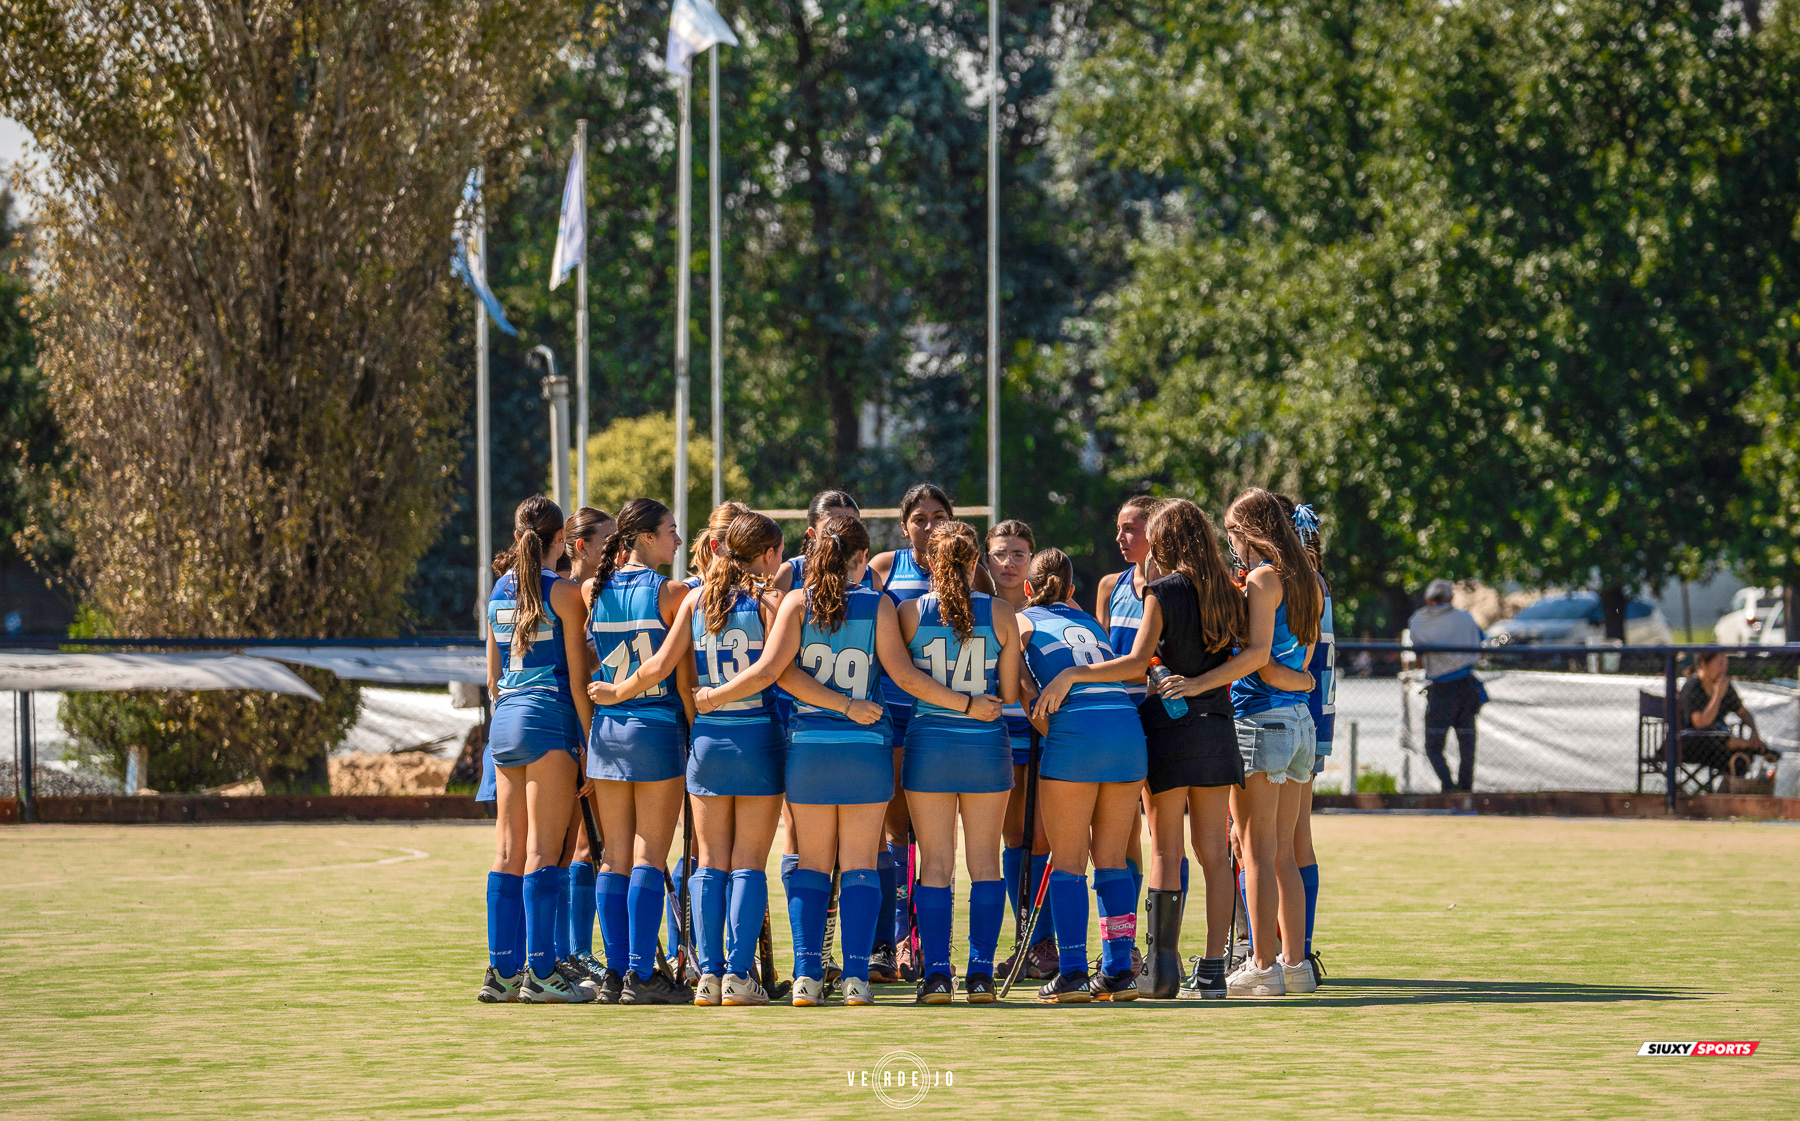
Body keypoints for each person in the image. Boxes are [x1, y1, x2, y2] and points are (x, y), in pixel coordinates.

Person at [761, 515, 998, 1005]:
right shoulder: (879, 603)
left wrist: (836, 704)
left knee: (812, 863)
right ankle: (855, 978)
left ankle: (807, 975)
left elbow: (781, 674)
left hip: (810, 747)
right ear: (863, 558)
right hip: (866, 748)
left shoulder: (796, 602)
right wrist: (966, 704)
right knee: (860, 865)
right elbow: (905, 678)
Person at [594, 511, 788, 1007]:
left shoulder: (696, 599)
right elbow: (774, 672)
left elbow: (663, 667)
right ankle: (739, 976)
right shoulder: (771, 601)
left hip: (706, 743)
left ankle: (708, 975)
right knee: (748, 864)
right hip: (756, 739)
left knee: (708, 864)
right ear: (766, 554)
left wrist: (616, 693)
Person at [1150, 488, 1320, 998]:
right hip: (1297, 721)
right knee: (1283, 853)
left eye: (1232, 533)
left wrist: (1197, 683)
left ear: (1250, 532)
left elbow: (1258, 655)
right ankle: (1295, 964)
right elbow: (1301, 664)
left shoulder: (1264, 578)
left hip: (1260, 719)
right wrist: (1301, 683)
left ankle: (1263, 966)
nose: (1230, 543)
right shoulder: (1309, 578)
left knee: (1255, 852)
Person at [477, 497, 597, 1005]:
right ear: (560, 541)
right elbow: (578, 681)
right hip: (549, 721)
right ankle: (543, 972)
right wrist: (590, 745)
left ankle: (502, 973)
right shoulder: (564, 593)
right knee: (543, 853)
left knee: (507, 851)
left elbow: (492, 679)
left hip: (504, 723)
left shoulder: (497, 592)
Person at [1015, 548, 1148, 1002]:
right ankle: (1117, 971)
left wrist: (1059, 733)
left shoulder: (1020, 621)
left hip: (1076, 736)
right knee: (1112, 860)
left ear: (1028, 587)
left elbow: (1023, 693)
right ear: (1072, 590)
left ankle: (1071, 971)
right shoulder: (1091, 622)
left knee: (1068, 862)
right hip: (1127, 734)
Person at [897, 520, 1018, 1003]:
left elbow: (905, 679)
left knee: (935, 865)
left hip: (928, 746)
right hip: (985, 747)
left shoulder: (908, 612)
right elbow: (1010, 693)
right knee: (986, 863)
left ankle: (936, 976)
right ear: (976, 563)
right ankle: (981, 975)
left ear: (928, 561)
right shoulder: (1002, 612)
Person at [583, 498, 695, 1005]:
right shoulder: (673, 593)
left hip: (606, 732)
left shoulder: (592, 588)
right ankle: (640, 974)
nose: (677, 540)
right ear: (646, 537)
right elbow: (681, 677)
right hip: (655, 731)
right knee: (650, 854)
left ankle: (614, 973)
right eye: (670, 531)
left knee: (614, 857)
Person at [984, 519, 1056, 979]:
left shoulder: (1048, 609)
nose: (1009, 563)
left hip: (1042, 731)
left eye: (1019, 555)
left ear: (1032, 560)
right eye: (1000, 554)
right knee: (1013, 837)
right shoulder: (977, 605)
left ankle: (1045, 942)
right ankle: (1027, 941)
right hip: (997, 733)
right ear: (986, 559)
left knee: (1043, 839)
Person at [1275, 496, 1332, 990]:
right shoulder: (1317, 582)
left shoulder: (1292, 584)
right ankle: (1298, 948)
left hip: (1287, 711)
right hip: (1310, 716)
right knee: (1295, 838)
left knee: (1270, 842)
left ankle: (1275, 950)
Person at [556, 506, 614, 987]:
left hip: (591, 724)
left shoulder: (597, 592)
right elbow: (576, 668)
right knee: (574, 843)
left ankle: (573, 950)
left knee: (584, 843)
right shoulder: (569, 594)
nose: (615, 550)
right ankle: (571, 951)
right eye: (607, 541)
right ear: (582, 547)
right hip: (575, 726)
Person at [1407, 579, 1485, 793]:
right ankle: (1465, 790)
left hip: (1441, 690)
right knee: (1467, 744)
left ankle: (1449, 788)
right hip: (1466, 687)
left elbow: (1419, 656)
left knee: (1433, 745)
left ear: (1428, 599)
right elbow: (1481, 648)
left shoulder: (1419, 621)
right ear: (1451, 597)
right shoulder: (1465, 619)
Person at [1679, 652, 1777, 775]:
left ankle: (1727, 788)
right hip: (1688, 743)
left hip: (1717, 746)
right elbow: (1700, 723)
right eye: (1720, 664)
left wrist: (1754, 732)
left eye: (1726, 664)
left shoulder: (1725, 687)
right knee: (1716, 735)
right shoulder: (1692, 687)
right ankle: (1745, 744)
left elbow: (1742, 712)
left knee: (1741, 757)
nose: (1724, 669)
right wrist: (1718, 695)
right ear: (1704, 664)